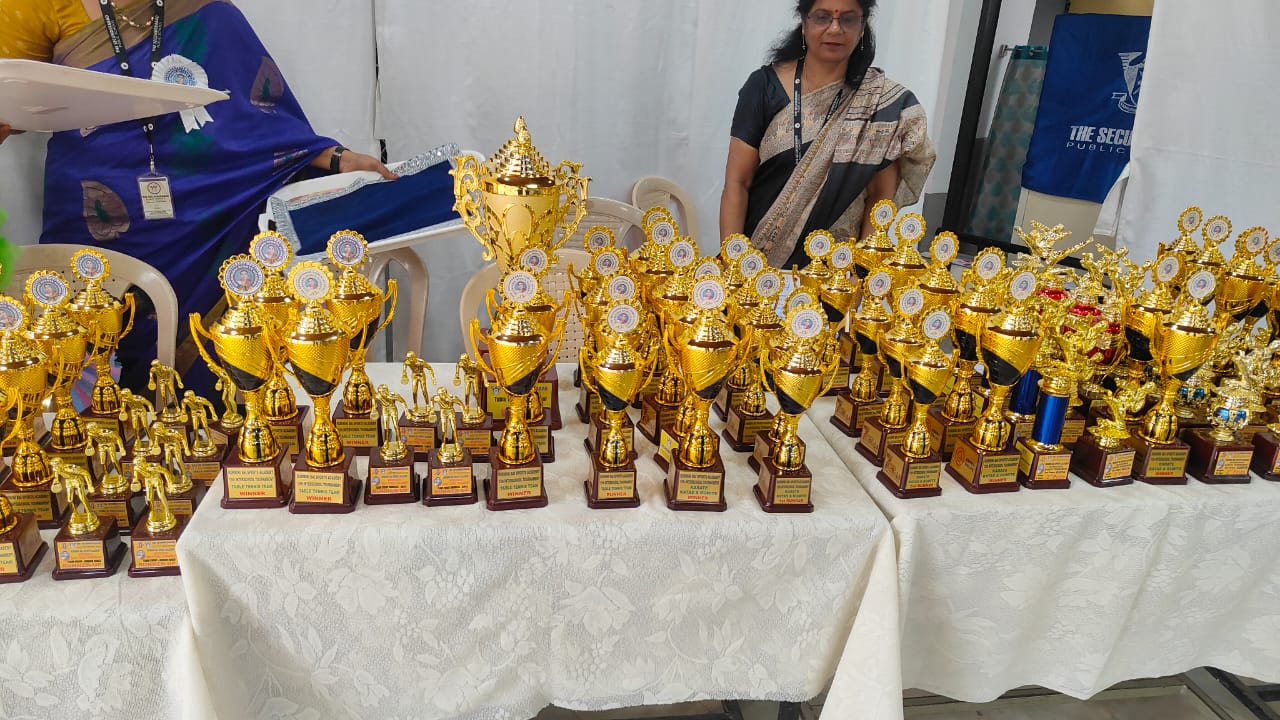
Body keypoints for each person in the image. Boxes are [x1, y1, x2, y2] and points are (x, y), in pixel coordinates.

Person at [0, 0, 395, 400]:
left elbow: (254, 111)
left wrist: (333, 158)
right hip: (95, 207)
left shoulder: (201, 7)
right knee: (91, 346)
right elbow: (16, 95)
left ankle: (217, 431)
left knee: (228, 354)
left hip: (210, 203)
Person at [719, 0, 936, 270]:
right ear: (804, 23)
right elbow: (737, 183)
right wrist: (733, 262)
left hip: (836, 275)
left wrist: (860, 271)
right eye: (822, 17)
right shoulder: (763, 86)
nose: (835, 29)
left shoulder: (882, 104)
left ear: (862, 26)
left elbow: (879, 197)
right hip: (756, 267)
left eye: (848, 19)